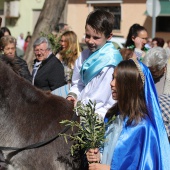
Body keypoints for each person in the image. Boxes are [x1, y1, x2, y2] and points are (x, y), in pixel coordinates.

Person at [86, 59, 170, 170]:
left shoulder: (142, 127)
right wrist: (97, 155)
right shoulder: (111, 116)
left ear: (132, 86)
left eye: (118, 80)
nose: (111, 83)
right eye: (113, 78)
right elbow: (109, 151)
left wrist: (108, 169)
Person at [67, 9, 123, 118]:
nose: (90, 41)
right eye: (87, 36)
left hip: (100, 116)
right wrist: (73, 95)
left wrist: (78, 106)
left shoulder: (111, 61)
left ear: (109, 36)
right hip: (81, 110)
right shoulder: (84, 55)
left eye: (96, 38)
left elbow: (99, 99)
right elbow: (78, 83)